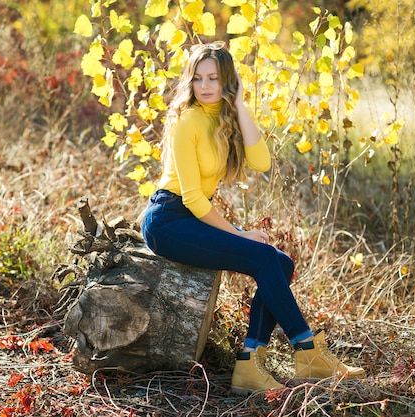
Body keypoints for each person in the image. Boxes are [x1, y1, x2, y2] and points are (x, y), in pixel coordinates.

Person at [140, 42, 365, 394]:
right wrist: (239, 235)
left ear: (228, 81)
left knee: (281, 262)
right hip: (169, 221)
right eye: (198, 78)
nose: (205, 86)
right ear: (190, 82)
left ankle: (249, 363)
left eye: (214, 78)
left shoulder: (225, 119)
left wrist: (240, 104)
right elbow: (193, 197)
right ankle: (307, 350)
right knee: (260, 254)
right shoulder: (186, 121)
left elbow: (261, 162)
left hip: (192, 218)